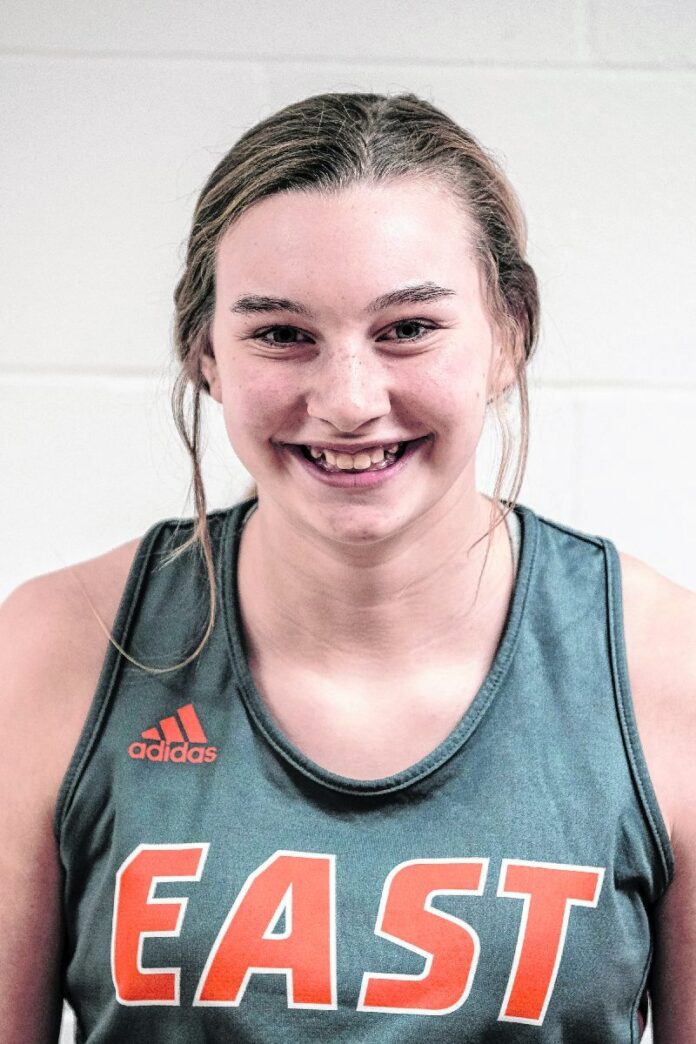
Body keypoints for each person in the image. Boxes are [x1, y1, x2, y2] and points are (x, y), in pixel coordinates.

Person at [1, 91, 693, 1044]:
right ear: (206, 353)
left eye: (408, 328)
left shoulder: (666, 670)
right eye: (282, 334)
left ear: (510, 333)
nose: (349, 401)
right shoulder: (54, 649)